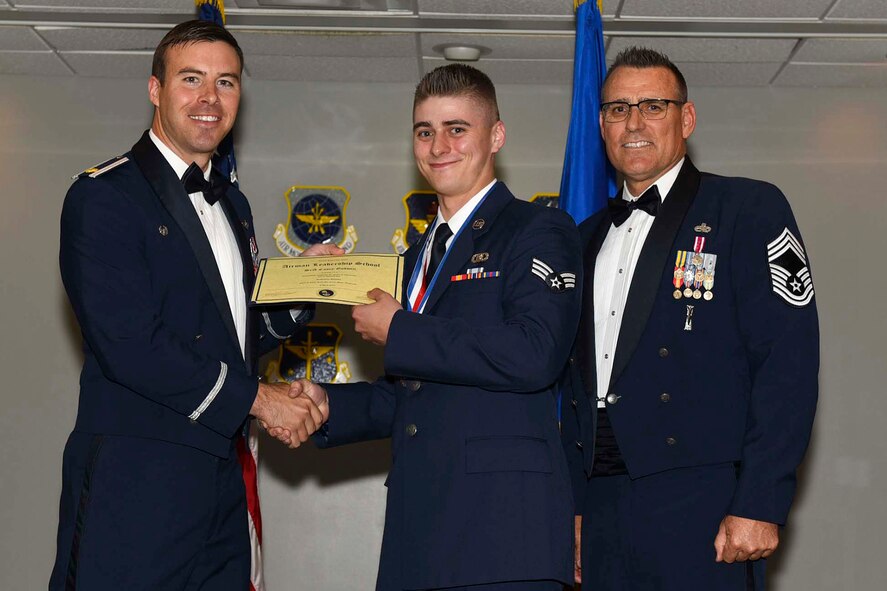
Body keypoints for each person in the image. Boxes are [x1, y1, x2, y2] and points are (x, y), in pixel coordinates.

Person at [50, 20, 337, 590]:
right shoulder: (103, 196)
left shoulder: (235, 205)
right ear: (155, 90)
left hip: (221, 483)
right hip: (138, 482)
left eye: (226, 82)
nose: (210, 98)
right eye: (191, 79)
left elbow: (232, 335)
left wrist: (301, 285)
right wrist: (261, 400)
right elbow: (132, 345)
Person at [272, 64, 582, 591]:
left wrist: (401, 332)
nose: (439, 146)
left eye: (457, 129)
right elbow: (414, 393)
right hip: (419, 531)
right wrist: (326, 406)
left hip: (504, 536)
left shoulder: (539, 229)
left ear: (496, 136)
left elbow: (535, 353)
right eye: (424, 131)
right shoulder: (416, 256)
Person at [560, 46, 819, 590]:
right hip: (603, 505)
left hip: (704, 504)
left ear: (687, 118)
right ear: (602, 125)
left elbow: (787, 365)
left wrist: (761, 501)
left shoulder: (747, 209)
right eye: (617, 109)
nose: (633, 123)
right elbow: (574, 390)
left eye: (653, 106)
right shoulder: (583, 239)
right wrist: (575, 509)